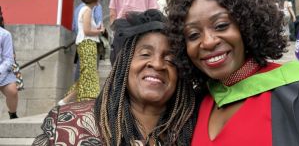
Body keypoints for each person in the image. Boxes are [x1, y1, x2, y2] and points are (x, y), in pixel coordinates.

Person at [167, 0, 299, 145]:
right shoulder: (195, 104)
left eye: (221, 26)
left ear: (247, 25)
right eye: (193, 35)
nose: (208, 42)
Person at [32, 9, 197, 145]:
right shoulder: (66, 124)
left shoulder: (195, 131)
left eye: (170, 59)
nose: (158, 64)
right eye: (145, 54)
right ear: (123, 64)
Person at [58, 0, 104, 106]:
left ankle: (65, 101)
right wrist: (100, 31)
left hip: (84, 43)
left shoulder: (83, 9)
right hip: (88, 43)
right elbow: (87, 31)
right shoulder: (88, 10)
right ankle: (87, 102)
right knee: (89, 74)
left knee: (86, 75)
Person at [72, 2, 103, 82]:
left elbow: (74, 26)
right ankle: (78, 92)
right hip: (90, 40)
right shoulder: (95, 6)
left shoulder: (79, 7)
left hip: (80, 41)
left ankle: (78, 92)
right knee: (90, 72)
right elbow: (99, 24)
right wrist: (100, 30)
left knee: (81, 69)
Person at [0, 6, 19, 119]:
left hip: (3, 70)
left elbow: (9, 59)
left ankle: (12, 114)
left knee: (13, 91)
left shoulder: (5, 34)